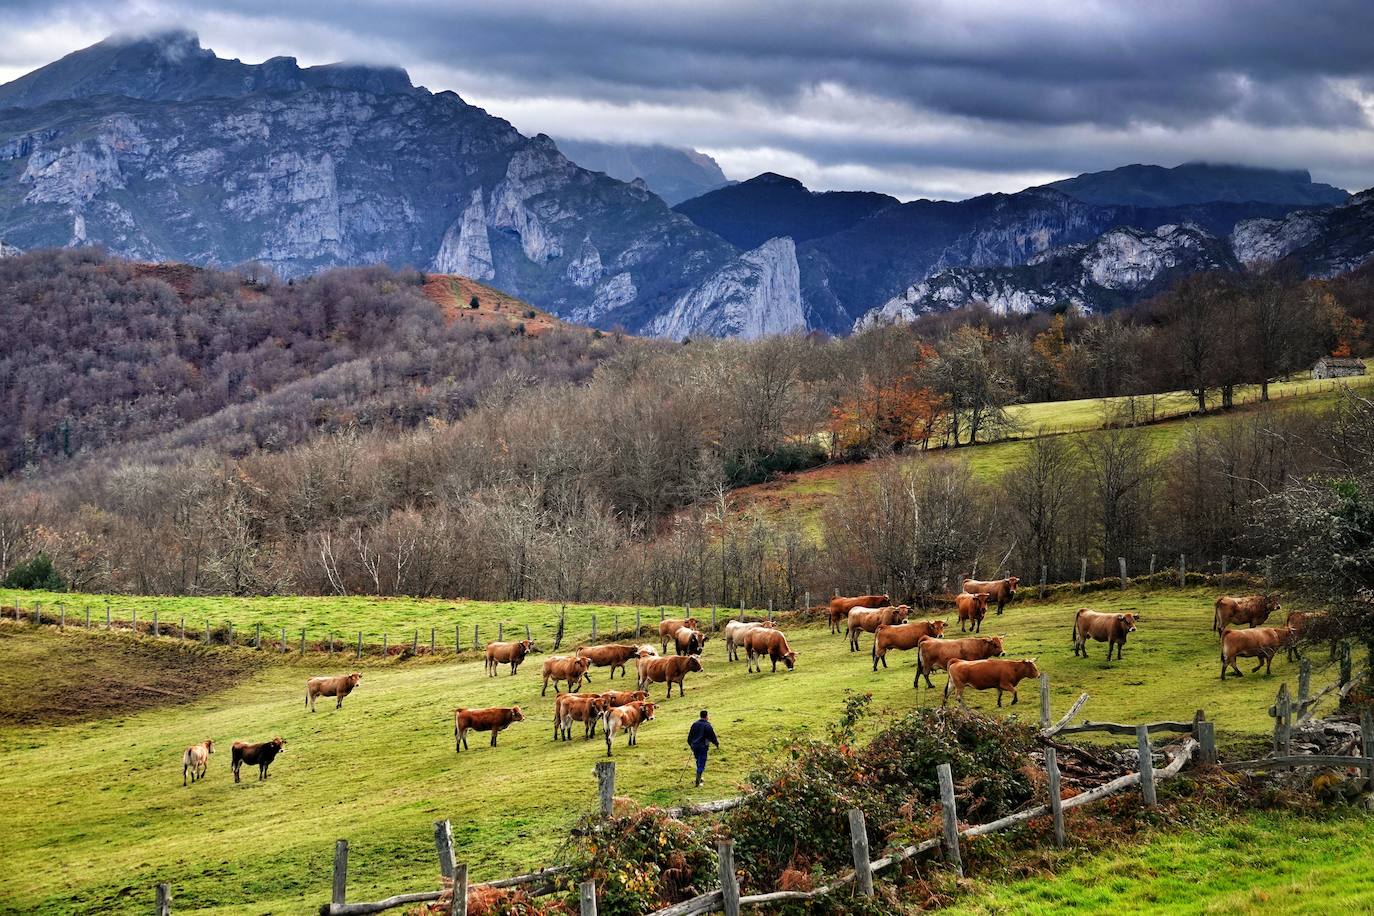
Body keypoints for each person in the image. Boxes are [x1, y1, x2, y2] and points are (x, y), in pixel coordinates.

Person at [687, 709, 719, 786]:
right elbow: (712, 736)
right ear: (706, 716)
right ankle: (698, 781)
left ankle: (699, 778)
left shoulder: (694, 724)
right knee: (701, 763)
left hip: (694, 746)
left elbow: (689, 737)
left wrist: (691, 745)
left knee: (698, 760)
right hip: (702, 747)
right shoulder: (707, 725)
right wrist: (716, 744)